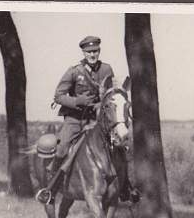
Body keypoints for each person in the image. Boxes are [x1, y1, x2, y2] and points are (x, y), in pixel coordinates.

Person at [35, 36, 139, 205]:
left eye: (95, 51)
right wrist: (77, 101)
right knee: (62, 149)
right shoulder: (74, 71)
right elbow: (58, 96)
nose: (92, 54)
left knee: (119, 147)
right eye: (89, 52)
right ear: (83, 52)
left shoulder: (106, 69)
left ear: (99, 51)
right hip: (74, 120)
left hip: (95, 119)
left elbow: (109, 94)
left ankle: (125, 186)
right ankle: (51, 188)